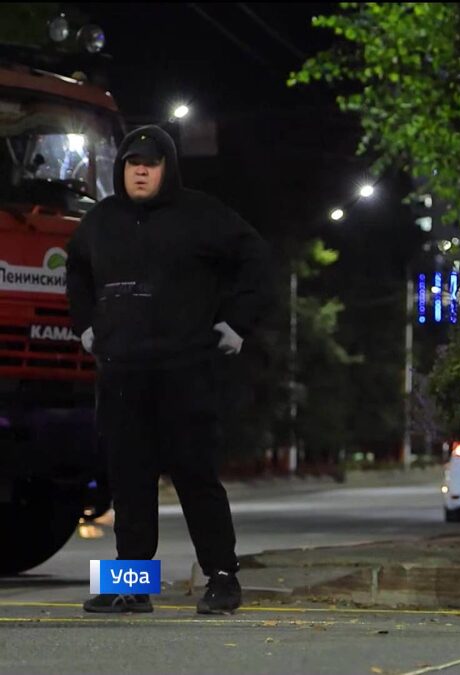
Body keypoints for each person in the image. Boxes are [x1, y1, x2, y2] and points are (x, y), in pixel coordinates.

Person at [65, 126, 273, 614]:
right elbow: (75, 269)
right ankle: (130, 586)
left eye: (151, 163)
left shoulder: (202, 215)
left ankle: (222, 580)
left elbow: (256, 259)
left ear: (167, 169)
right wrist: (85, 327)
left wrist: (237, 324)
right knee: (129, 482)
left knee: (196, 477)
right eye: (132, 162)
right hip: (121, 375)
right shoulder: (100, 220)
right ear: (121, 168)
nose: (140, 169)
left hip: (186, 372)